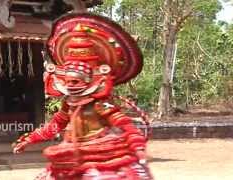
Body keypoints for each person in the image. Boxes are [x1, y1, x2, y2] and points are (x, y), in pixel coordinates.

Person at [13, 13, 153, 180]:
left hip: (101, 154)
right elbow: (54, 126)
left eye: (75, 81)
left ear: (88, 80)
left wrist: (137, 146)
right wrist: (29, 140)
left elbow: (124, 124)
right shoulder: (68, 104)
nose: (71, 85)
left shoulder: (100, 103)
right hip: (71, 153)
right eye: (68, 81)